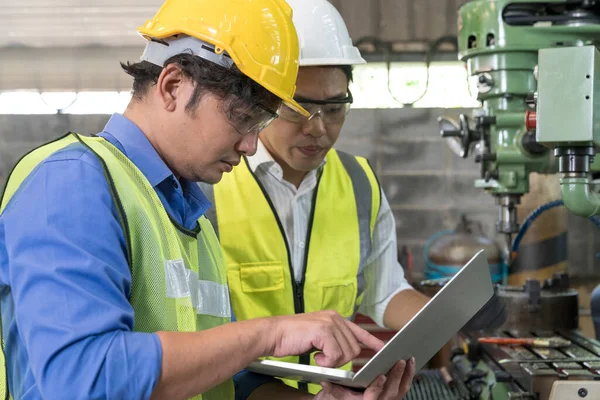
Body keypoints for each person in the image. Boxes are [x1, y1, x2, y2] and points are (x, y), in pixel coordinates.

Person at [0, 0, 412, 399]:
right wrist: (271, 332)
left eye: (262, 122)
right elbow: (85, 378)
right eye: (242, 117)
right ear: (173, 86)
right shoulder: (71, 182)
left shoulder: (190, 219)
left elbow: (228, 381)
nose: (252, 145)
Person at [202, 0, 428, 397]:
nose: (318, 128)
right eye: (298, 108)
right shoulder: (211, 182)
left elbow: (384, 290)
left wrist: (447, 319)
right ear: (263, 99)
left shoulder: (359, 183)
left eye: (335, 107)